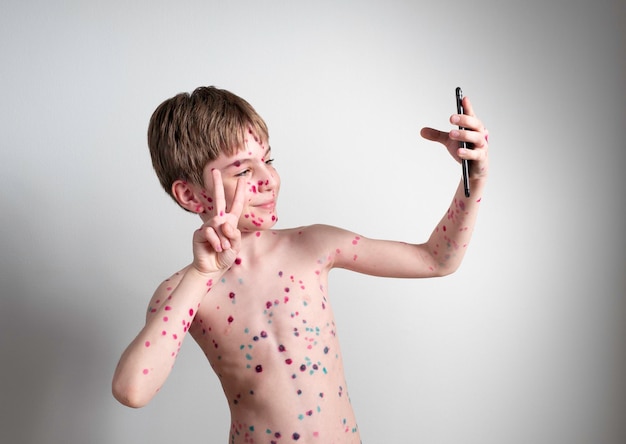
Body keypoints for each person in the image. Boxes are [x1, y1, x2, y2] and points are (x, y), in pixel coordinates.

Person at [112, 86, 489, 443]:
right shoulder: (187, 291)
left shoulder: (314, 246)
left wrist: (475, 178)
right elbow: (133, 390)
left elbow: (435, 260)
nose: (269, 179)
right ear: (192, 195)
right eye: (243, 171)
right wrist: (202, 274)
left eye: (268, 160)